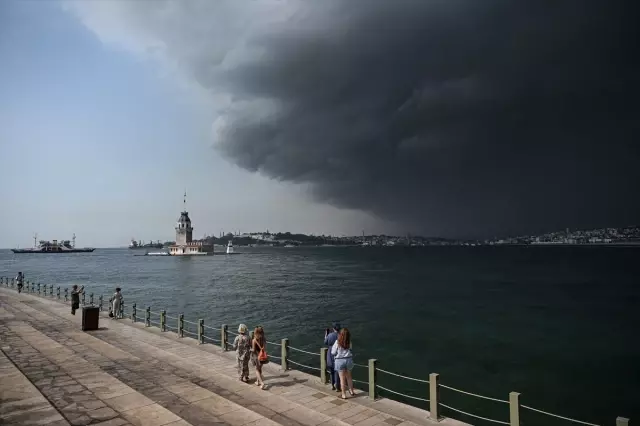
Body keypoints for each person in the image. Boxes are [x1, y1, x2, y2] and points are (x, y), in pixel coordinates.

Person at [331, 328, 355, 399]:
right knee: (349, 377)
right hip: (348, 360)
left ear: (340, 334)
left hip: (340, 360)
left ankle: (344, 394)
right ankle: (351, 391)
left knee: (342, 379)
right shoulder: (349, 342)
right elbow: (350, 349)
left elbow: (333, 352)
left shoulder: (337, 342)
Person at [324, 323, 342, 391]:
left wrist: (326, 334)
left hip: (330, 353)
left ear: (333, 328)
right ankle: (337, 386)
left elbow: (325, 342)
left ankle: (332, 385)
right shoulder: (341, 335)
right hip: (338, 354)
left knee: (331, 371)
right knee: (337, 371)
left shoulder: (330, 335)